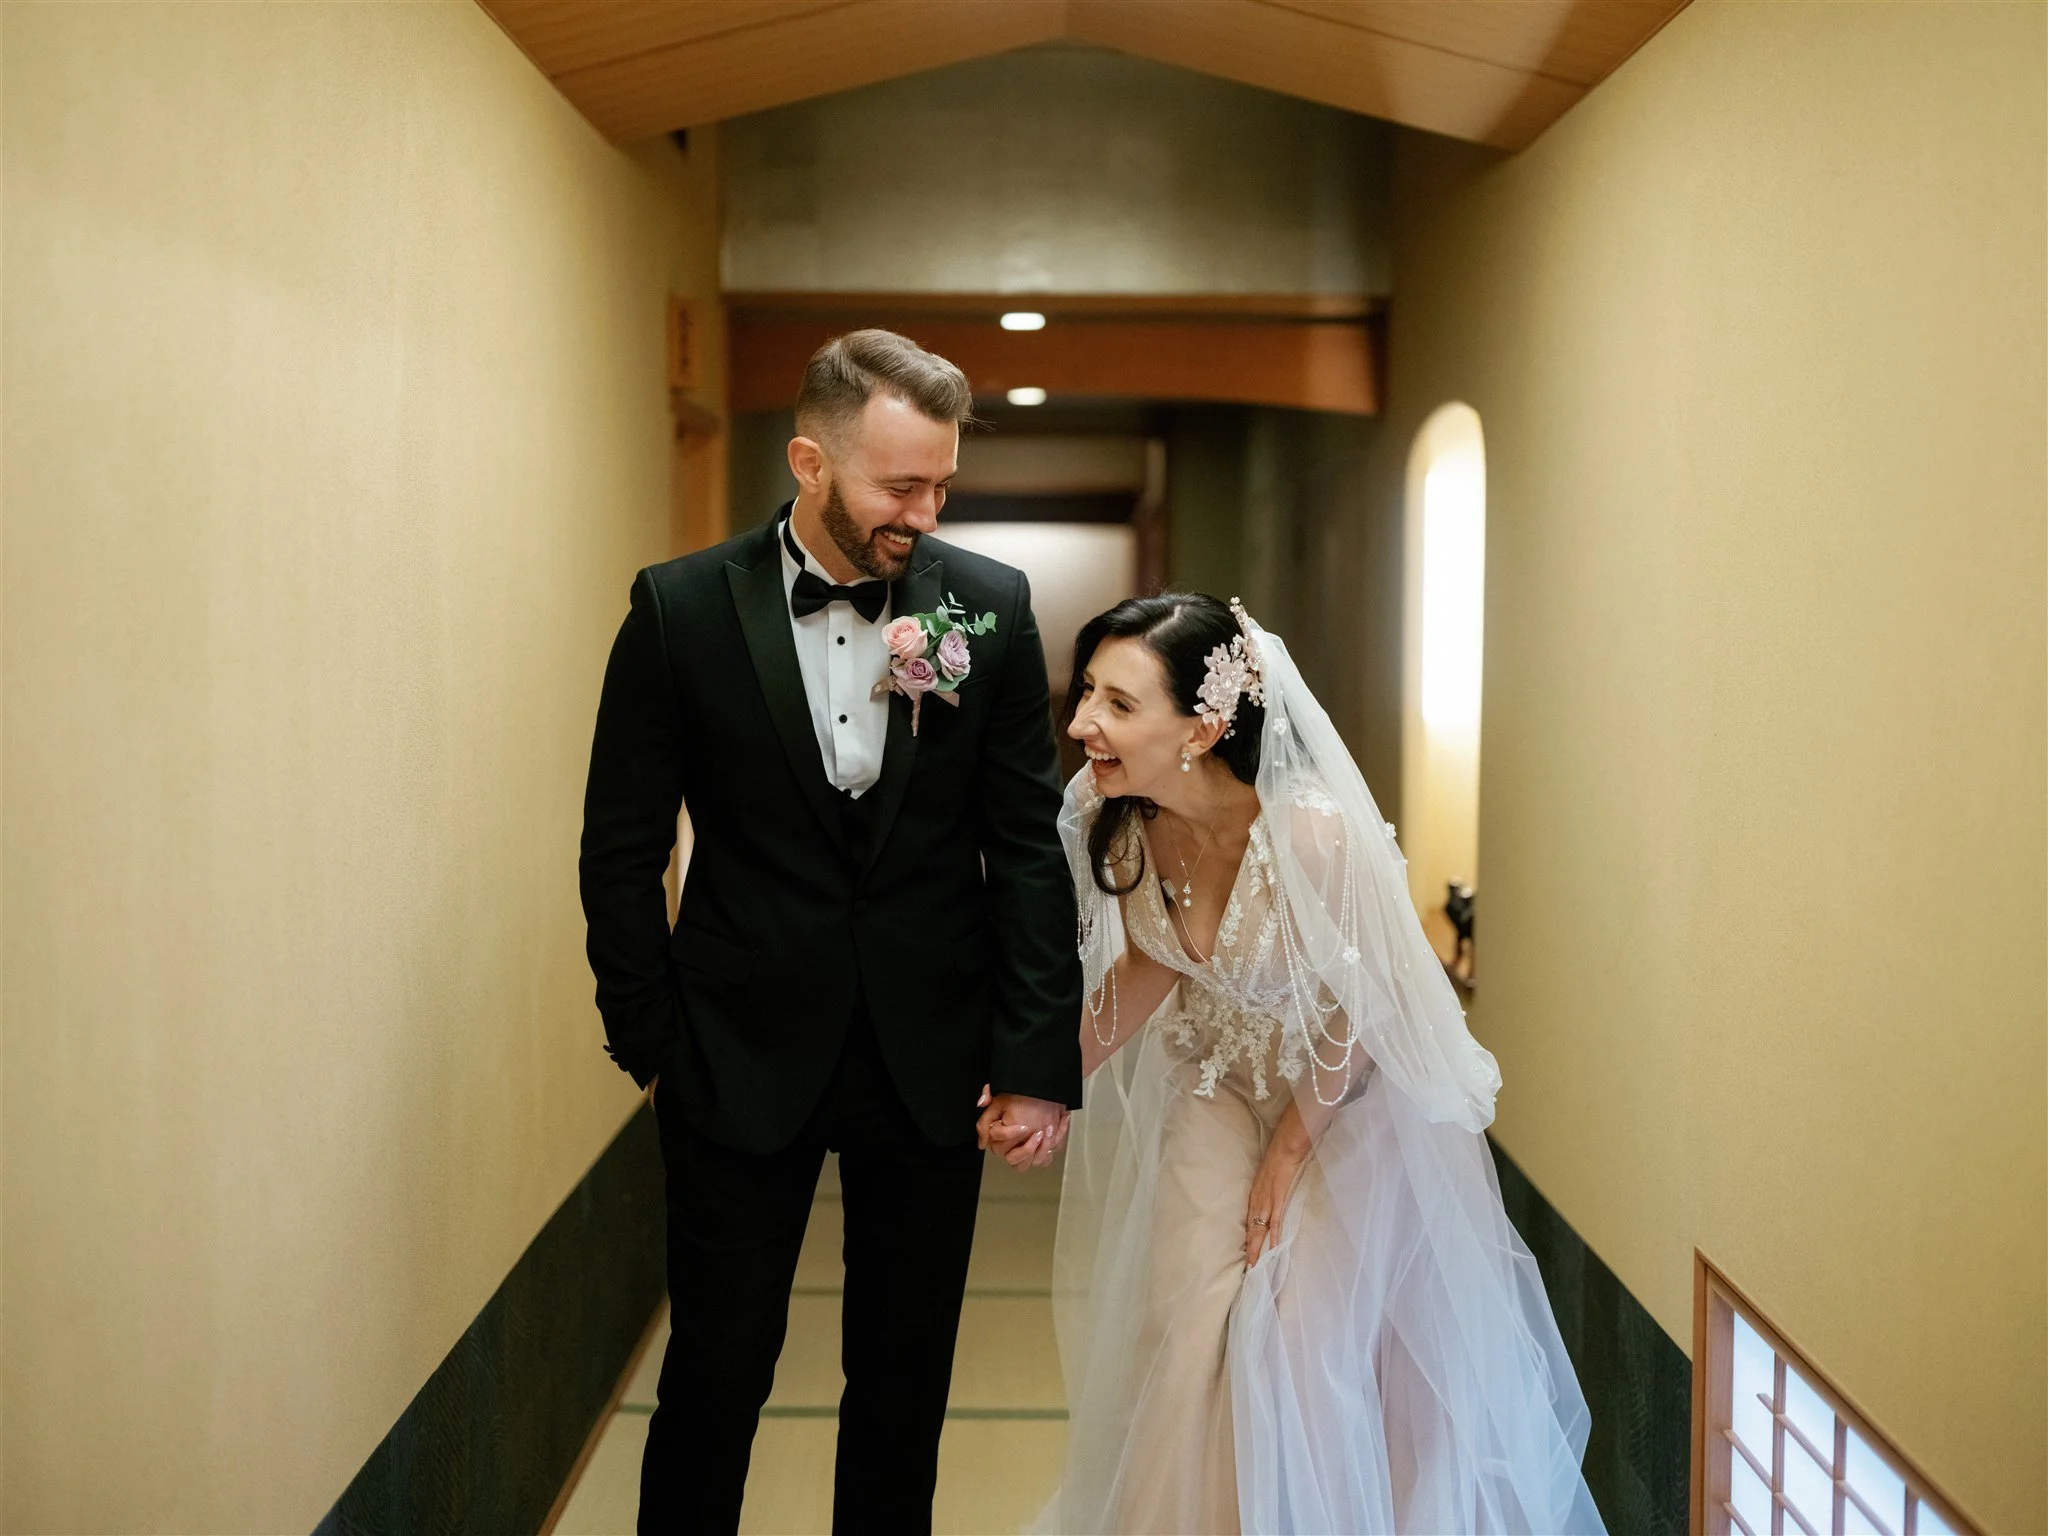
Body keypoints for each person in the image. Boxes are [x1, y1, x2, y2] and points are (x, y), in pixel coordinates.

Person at [579, 328, 1083, 1535]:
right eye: (896, 485)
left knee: (903, 1383)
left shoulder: (988, 606)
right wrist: (652, 1039)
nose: (925, 509)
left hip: (929, 1052)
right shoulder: (678, 609)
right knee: (716, 1372)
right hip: (733, 1047)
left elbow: (1023, 846)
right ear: (809, 461)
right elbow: (619, 847)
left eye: (942, 483)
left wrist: (1031, 1059)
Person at [984, 593, 1604, 1534]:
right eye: (1086, 696)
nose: (1080, 726)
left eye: (1116, 704)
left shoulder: (1314, 832)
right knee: (1187, 1325)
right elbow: (1155, 960)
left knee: (1302, 1345)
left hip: (1346, 1100)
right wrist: (1042, 1078)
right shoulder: (1135, 818)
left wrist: (1287, 1152)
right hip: (1218, 1079)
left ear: (1203, 725)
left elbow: (1368, 1005)